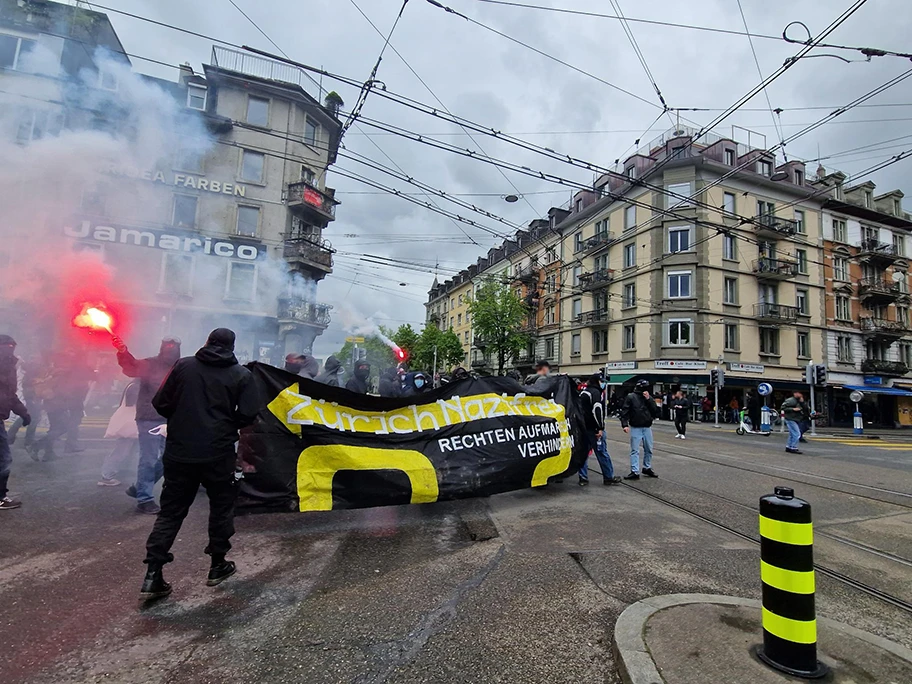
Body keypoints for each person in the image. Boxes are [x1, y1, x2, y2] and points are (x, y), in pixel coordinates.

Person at [140, 328, 260, 600]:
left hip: (180, 451)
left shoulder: (183, 367)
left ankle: (153, 574)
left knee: (171, 512)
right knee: (220, 507)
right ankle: (218, 564)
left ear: (206, 342)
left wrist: (183, 417)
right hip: (218, 453)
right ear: (232, 347)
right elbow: (251, 413)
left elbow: (161, 402)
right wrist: (228, 424)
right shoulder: (241, 375)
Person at [113, 335, 182, 515]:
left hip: (171, 418)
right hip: (150, 417)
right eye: (167, 345)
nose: (170, 349)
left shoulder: (181, 367)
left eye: (173, 346)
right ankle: (144, 498)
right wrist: (123, 352)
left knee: (170, 458)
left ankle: (140, 487)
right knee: (149, 459)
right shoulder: (150, 364)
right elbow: (131, 368)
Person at [0, 335, 31, 510]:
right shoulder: (7, 365)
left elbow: (9, 394)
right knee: (3, 459)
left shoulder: (10, 366)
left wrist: (23, 413)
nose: (9, 349)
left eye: (12, 346)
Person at [578, 374, 621, 486]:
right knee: (602, 452)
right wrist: (599, 428)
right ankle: (608, 477)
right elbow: (597, 411)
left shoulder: (584, 392)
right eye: (602, 381)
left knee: (583, 453)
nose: (603, 383)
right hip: (593, 429)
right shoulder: (596, 393)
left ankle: (583, 478)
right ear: (597, 381)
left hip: (583, 428)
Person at [98, 380, 140, 487]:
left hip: (132, 422)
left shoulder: (133, 384)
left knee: (130, 449)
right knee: (122, 450)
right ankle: (107, 475)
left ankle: (115, 472)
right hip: (132, 423)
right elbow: (133, 403)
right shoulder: (136, 386)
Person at [619, 379, 661, 480]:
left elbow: (655, 411)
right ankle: (635, 470)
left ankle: (646, 467)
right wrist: (624, 424)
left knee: (649, 449)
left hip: (646, 426)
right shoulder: (631, 397)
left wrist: (649, 400)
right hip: (636, 426)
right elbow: (625, 411)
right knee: (635, 450)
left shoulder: (647, 398)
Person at [7, 352, 42, 448]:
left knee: (28, 416)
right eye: (34, 357)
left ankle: (11, 436)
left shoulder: (31, 368)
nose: (37, 360)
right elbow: (30, 382)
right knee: (34, 417)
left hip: (32, 395)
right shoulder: (33, 368)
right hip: (32, 395)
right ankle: (28, 440)